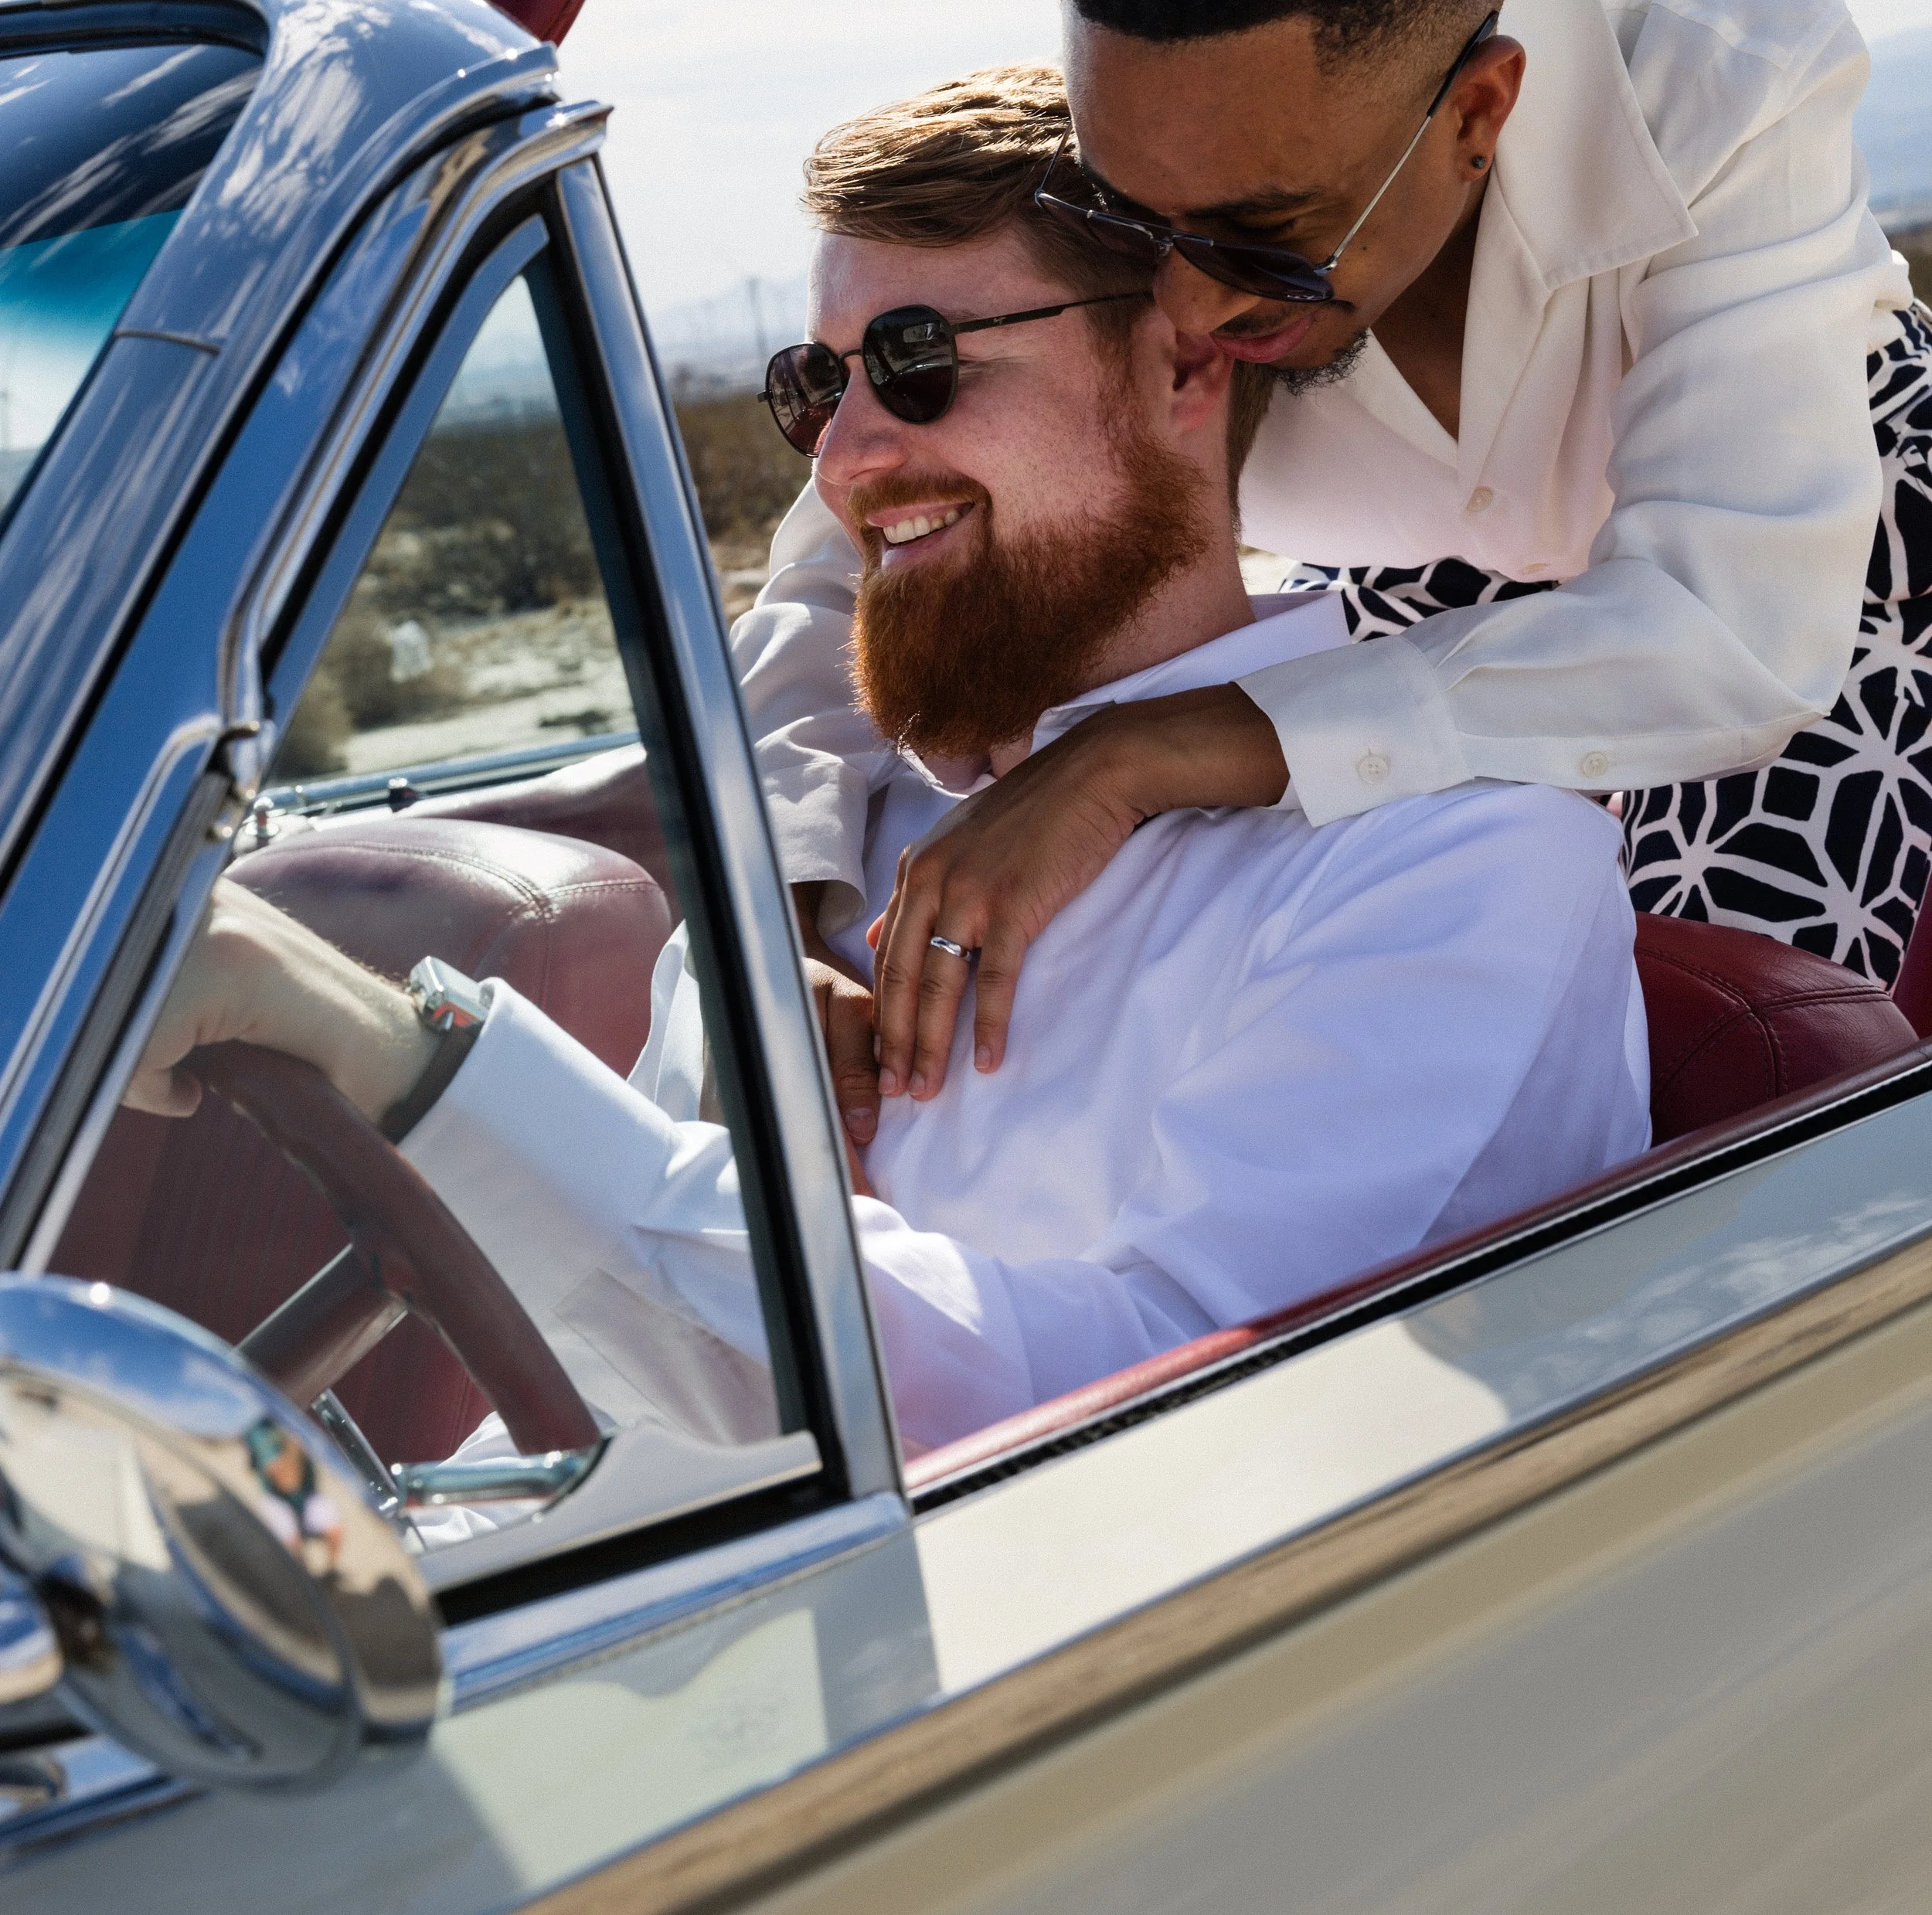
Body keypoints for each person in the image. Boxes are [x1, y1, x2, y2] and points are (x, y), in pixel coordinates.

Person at [131, 70, 1647, 1457]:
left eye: (919, 362)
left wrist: (399, 1060)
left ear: (1186, 366)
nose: (840, 457)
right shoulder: (825, 868)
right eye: (817, 384)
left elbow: (1164, 1414)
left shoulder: (1454, 868)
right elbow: (632, 1402)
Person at [740, 0, 1921, 1117]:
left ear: (1479, 114)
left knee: (1738, 1054)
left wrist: (1144, 754)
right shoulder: (1175, 105)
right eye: (1134, 215)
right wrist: (785, 920)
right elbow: (835, 551)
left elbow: (1725, 634)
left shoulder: (1717, 53)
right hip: (1406, 586)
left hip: (1816, 544)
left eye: (1256, 230)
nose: (1174, 298)